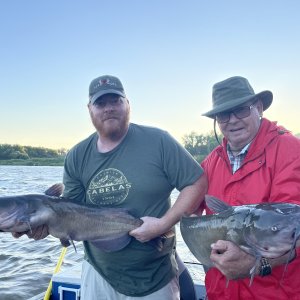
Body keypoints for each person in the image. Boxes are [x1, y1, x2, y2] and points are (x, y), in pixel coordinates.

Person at [61, 75, 207, 299]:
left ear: (128, 104)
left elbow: (196, 182)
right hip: (99, 273)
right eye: (101, 103)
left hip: (155, 277)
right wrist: (45, 226)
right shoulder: (76, 156)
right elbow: (70, 212)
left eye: (116, 101)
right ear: (89, 109)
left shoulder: (159, 141)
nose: (109, 108)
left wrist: (163, 224)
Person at [200, 76, 300, 299]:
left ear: (259, 108)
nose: (233, 120)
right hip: (220, 293)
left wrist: (256, 264)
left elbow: (294, 230)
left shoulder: (291, 151)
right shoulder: (209, 164)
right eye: (224, 114)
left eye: (241, 110)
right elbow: (187, 210)